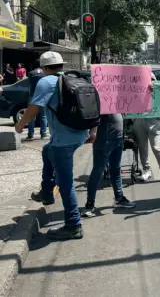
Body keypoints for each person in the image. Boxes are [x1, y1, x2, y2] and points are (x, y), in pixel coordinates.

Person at [15, 51, 97, 240]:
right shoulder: (74, 78)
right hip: (80, 134)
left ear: (43, 68)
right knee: (46, 149)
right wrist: (93, 131)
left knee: (65, 182)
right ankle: (46, 192)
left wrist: (20, 125)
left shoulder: (46, 82)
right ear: (61, 65)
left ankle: (73, 224)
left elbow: (34, 109)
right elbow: (92, 105)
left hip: (63, 141)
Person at [83, 113, 136, 217]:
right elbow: (94, 114)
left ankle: (119, 198)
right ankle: (90, 204)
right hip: (104, 140)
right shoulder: (101, 97)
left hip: (118, 137)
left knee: (116, 169)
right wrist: (93, 131)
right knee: (98, 171)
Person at [134, 74, 160, 184]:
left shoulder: (157, 93)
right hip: (139, 121)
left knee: (156, 148)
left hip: (153, 122)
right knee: (142, 148)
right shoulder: (135, 91)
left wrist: (156, 92)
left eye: (152, 80)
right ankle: (147, 171)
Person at [25, 62, 48, 140]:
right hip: (43, 96)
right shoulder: (44, 73)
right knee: (43, 116)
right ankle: (43, 134)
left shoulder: (31, 73)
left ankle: (30, 134)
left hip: (33, 96)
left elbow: (29, 84)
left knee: (31, 116)